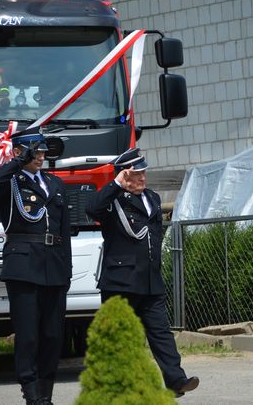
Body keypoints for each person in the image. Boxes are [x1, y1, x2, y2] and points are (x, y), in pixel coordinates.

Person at [85, 148, 199, 398]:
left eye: (143, 172)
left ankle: (176, 379)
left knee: (161, 332)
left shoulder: (152, 198)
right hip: (121, 281)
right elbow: (91, 209)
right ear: (124, 175)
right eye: (136, 174)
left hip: (149, 280)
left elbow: (154, 235)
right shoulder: (112, 200)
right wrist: (116, 184)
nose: (142, 178)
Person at [0, 127, 71, 405]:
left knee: (52, 335)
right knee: (28, 335)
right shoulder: (10, 182)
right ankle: (32, 394)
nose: (41, 156)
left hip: (53, 265)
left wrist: (66, 271)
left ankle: (46, 394)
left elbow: (64, 229)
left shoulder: (55, 184)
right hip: (23, 265)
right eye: (35, 150)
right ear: (19, 152)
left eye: (43, 151)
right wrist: (19, 161)